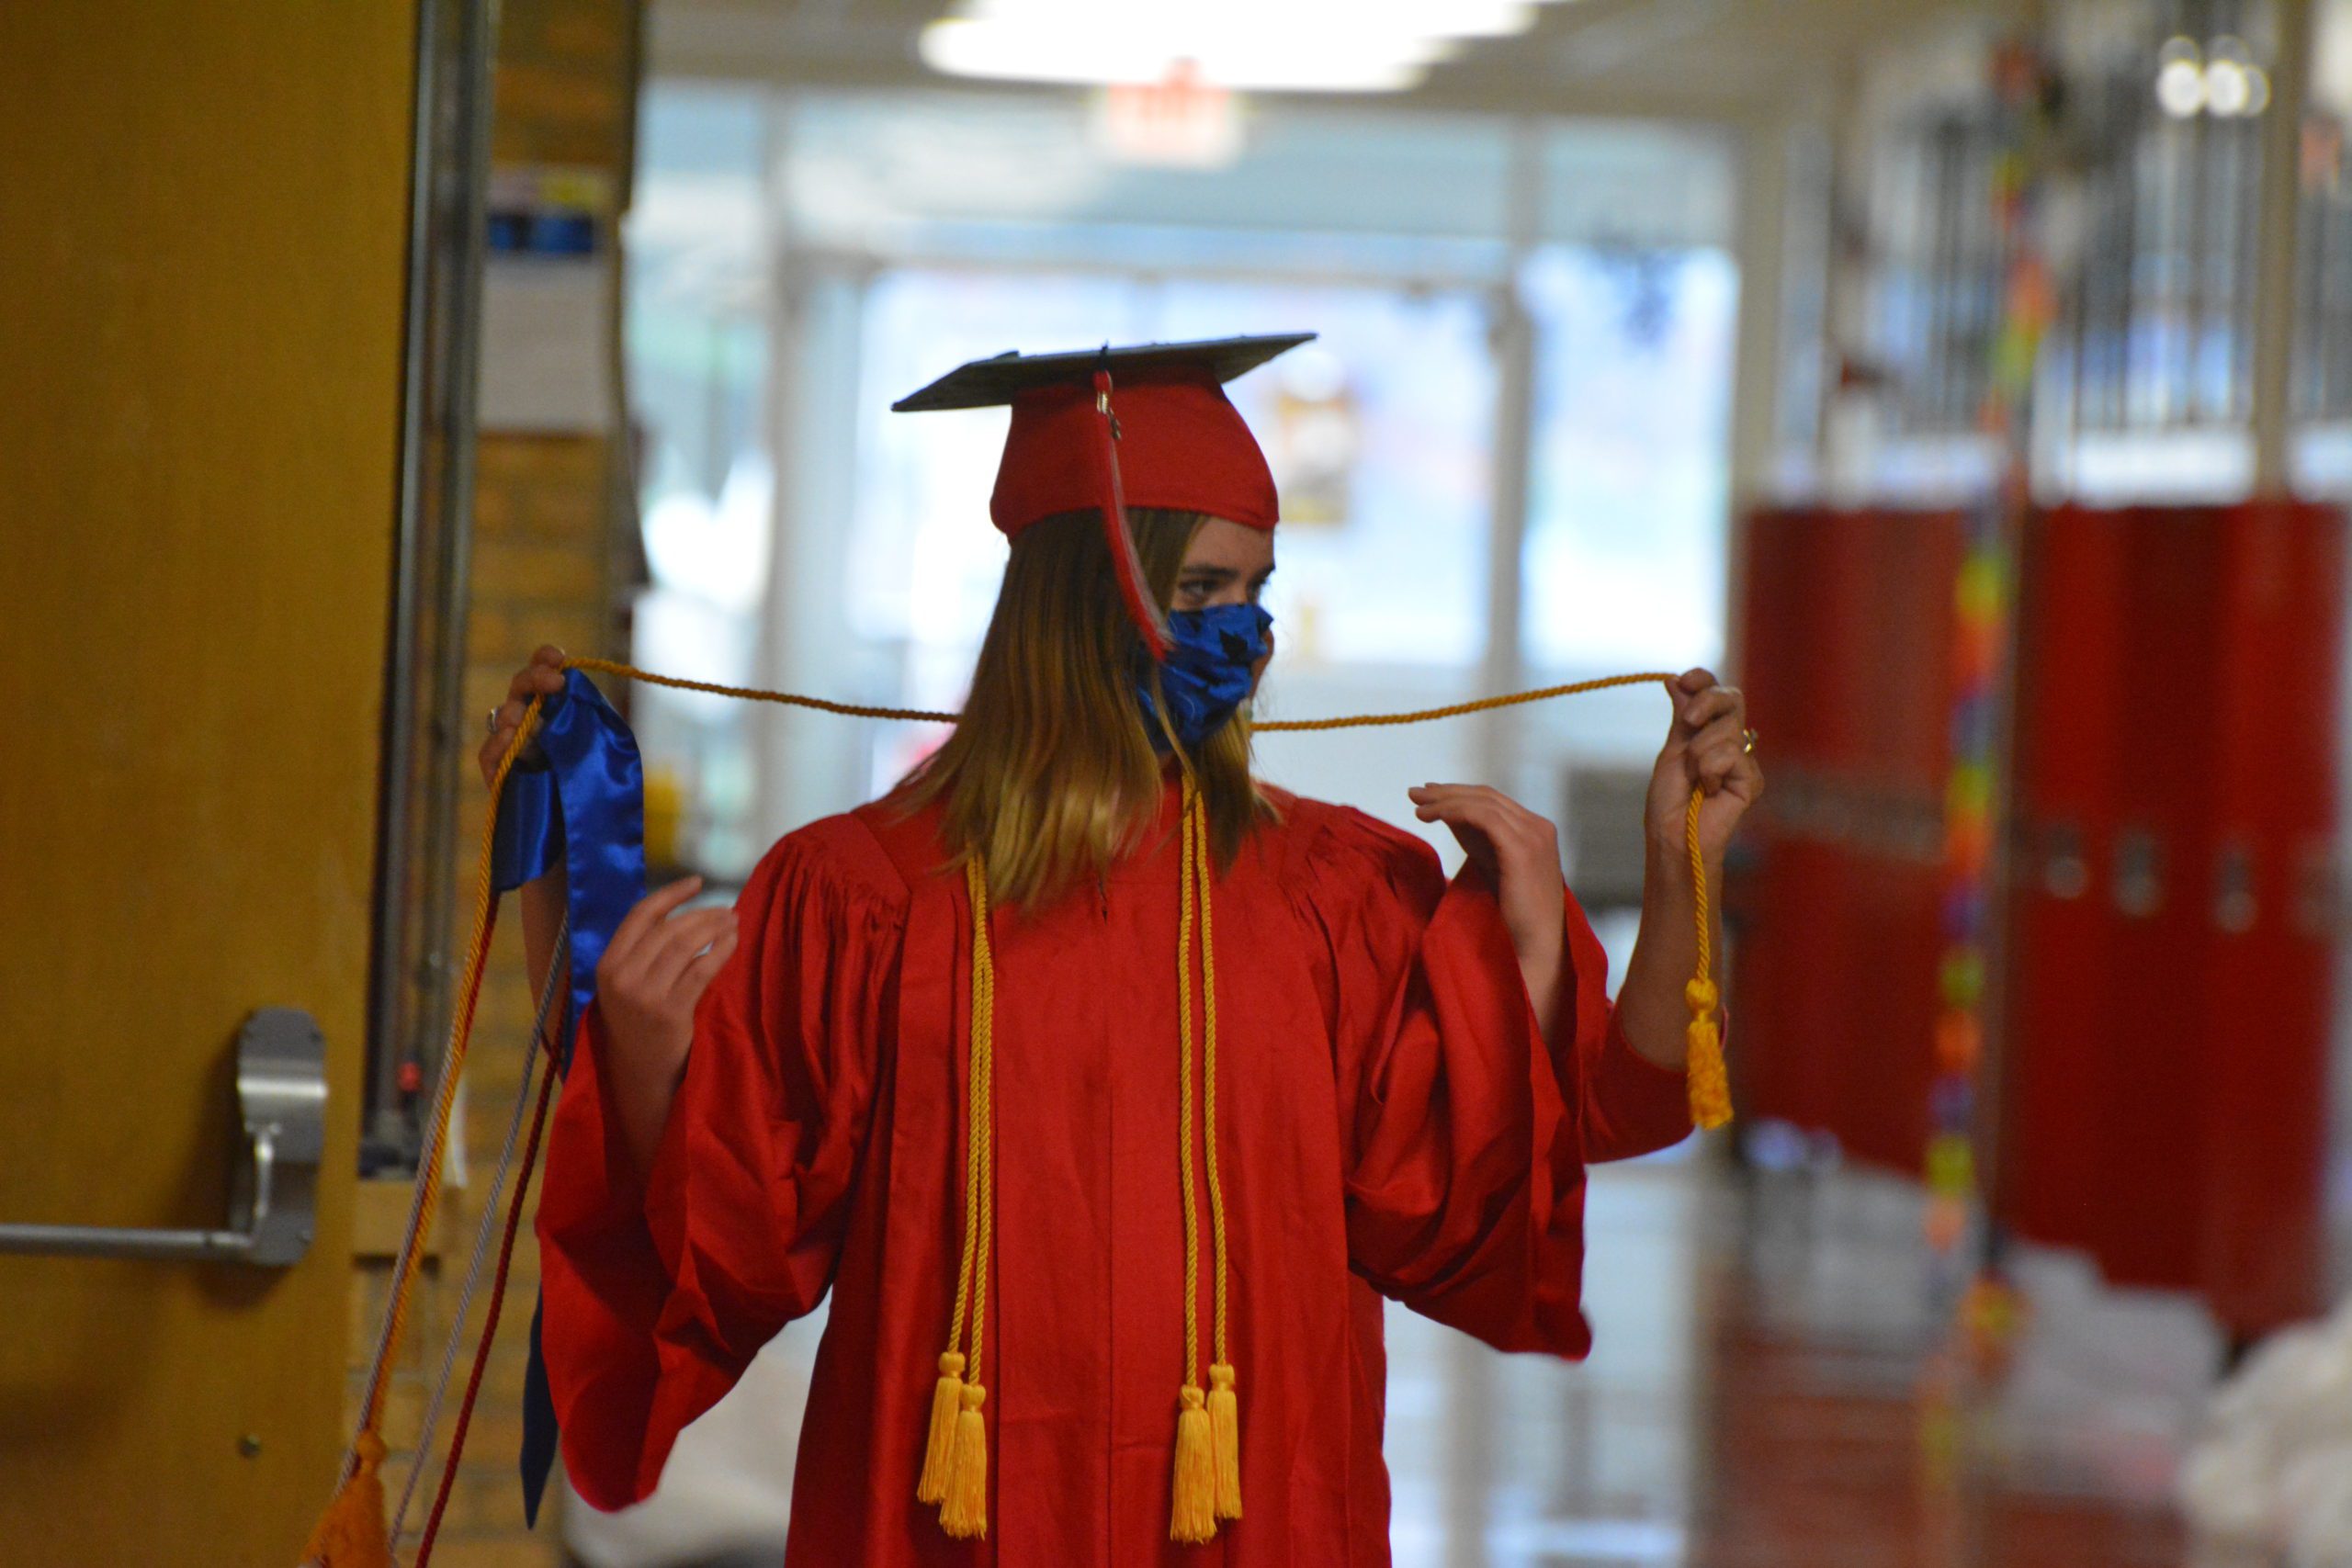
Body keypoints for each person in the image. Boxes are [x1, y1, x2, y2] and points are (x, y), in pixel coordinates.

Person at [483, 335, 1761, 1566]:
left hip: (1253, 1513)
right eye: (1199, 590)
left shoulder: (1336, 897)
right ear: (1078, 590)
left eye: (1256, 590)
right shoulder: (863, 894)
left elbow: (1569, 1116)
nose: (1240, 633)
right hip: (945, 1522)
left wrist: (1677, 869)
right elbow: (733, 1236)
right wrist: (644, 1059)